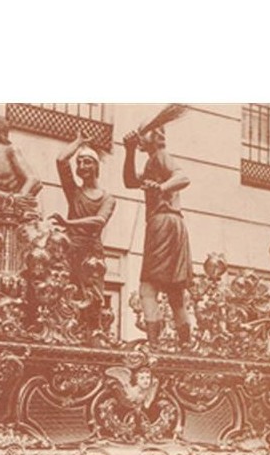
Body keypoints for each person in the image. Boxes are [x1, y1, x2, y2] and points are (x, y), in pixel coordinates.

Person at [122, 124, 193, 348]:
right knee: (175, 294)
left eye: (144, 132)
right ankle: (185, 345)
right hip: (174, 224)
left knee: (147, 289)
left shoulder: (160, 156)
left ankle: (153, 345)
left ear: (155, 136)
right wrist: (129, 151)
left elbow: (183, 177)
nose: (139, 135)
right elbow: (130, 181)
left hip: (162, 223)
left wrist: (161, 188)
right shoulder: (152, 162)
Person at [50, 132, 116, 330]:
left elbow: (99, 221)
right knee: (66, 295)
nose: (82, 166)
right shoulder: (74, 192)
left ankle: (93, 334)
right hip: (71, 251)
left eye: (87, 162)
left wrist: (69, 222)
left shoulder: (108, 198)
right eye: (79, 163)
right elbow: (61, 160)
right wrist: (78, 142)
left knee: (93, 298)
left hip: (92, 254)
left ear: (96, 166)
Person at [0, 114, 42, 214]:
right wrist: (11, 198)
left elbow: (33, 179)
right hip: (1, 213)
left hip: (21, 213)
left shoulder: (10, 151)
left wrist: (20, 198)